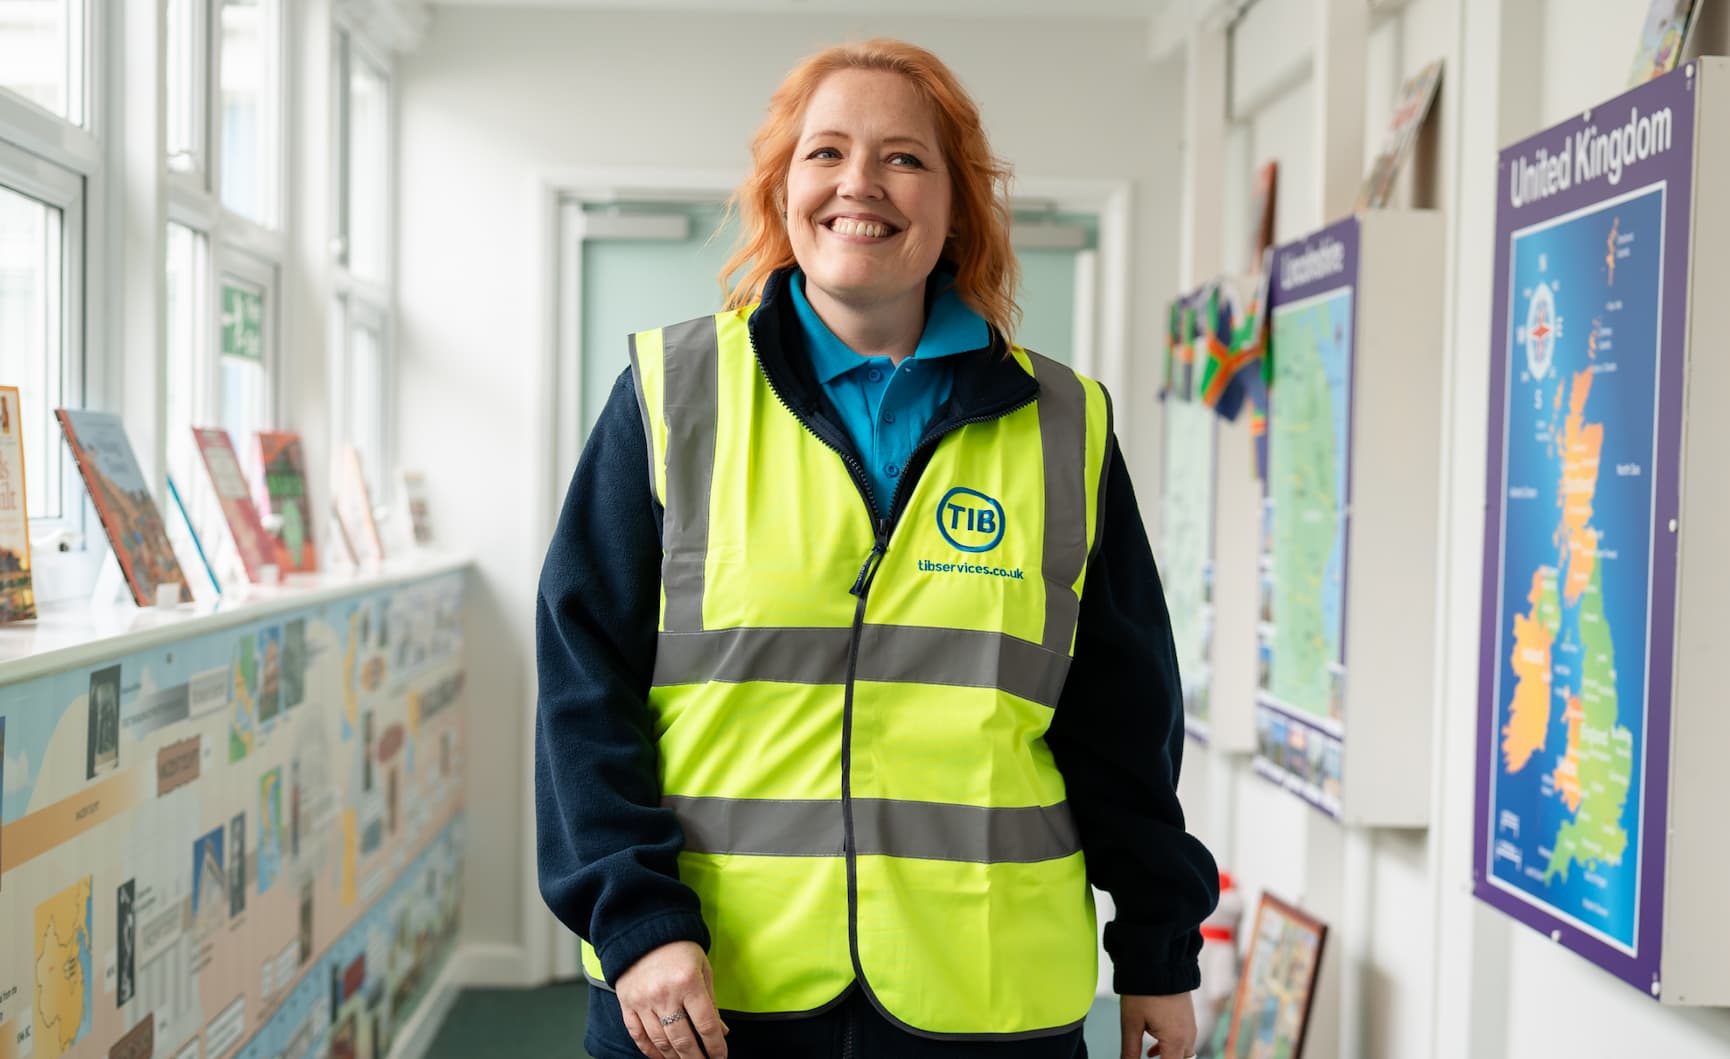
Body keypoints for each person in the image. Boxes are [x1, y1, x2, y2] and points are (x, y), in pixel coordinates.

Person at [536, 39, 1218, 1059]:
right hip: (711, 990)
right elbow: (580, 688)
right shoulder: (671, 395)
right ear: (782, 189)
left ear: (955, 208)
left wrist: (1158, 952)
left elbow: (1124, 721)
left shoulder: (1062, 427)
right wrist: (631, 919)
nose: (859, 183)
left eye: (904, 158)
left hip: (984, 997)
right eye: (824, 153)